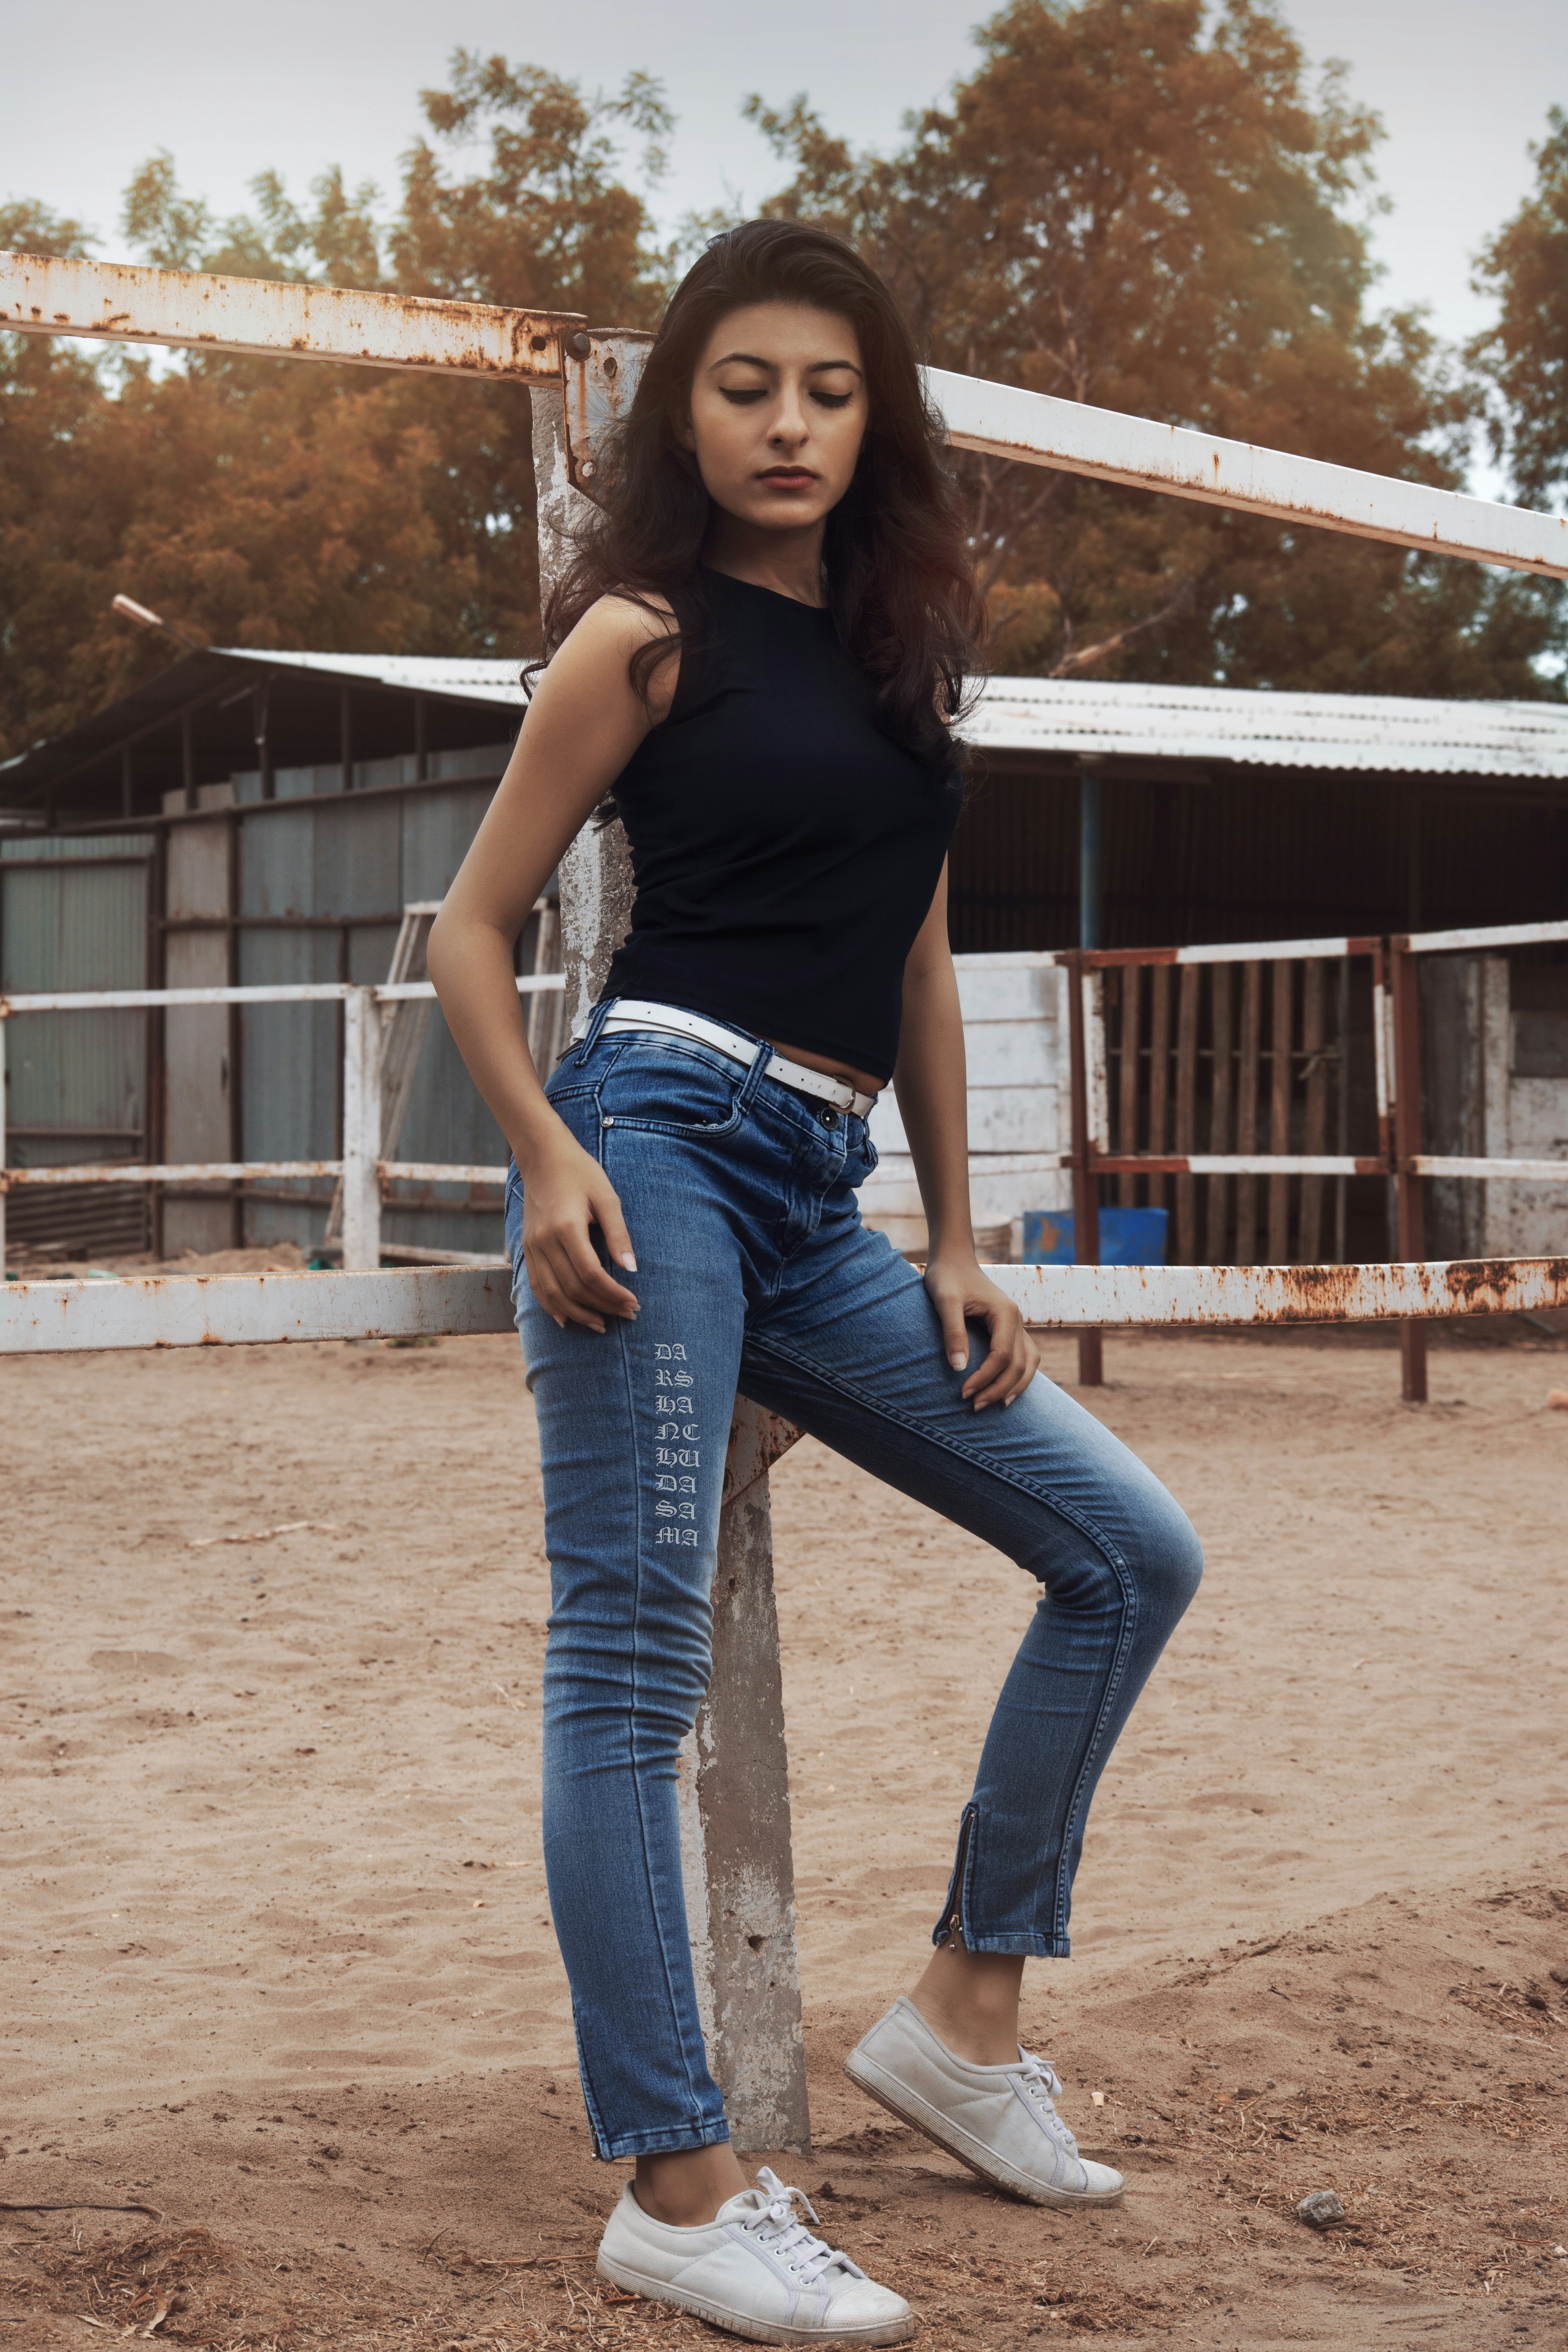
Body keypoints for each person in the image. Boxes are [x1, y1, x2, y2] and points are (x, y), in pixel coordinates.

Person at [428, 218, 1203, 2348]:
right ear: (686, 408)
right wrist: (553, 1151)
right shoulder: (639, 641)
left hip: (819, 1194)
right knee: (630, 1656)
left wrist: (957, 1227)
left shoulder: (894, 661)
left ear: (880, 421)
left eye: (830, 389)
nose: (788, 422)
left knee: (1131, 1550)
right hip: (654, 1148)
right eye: (747, 383)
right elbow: (472, 931)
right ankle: (680, 2181)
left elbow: (920, 955)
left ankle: (962, 2021)